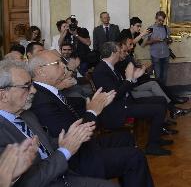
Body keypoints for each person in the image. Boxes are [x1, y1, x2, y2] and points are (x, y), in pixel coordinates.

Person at [28, 50, 155, 186]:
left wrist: (94, 108)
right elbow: (70, 135)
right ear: (40, 71)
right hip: (77, 159)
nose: (64, 66)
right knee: (136, 157)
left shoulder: (48, 91)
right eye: (57, 63)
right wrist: (93, 111)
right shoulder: (41, 99)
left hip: (84, 146)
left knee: (126, 138)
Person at [0, 60, 116, 187]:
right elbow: (27, 182)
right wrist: (65, 150)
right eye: (26, 86)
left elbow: (47, 144)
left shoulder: (27, 115)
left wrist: (69, 138)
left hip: (61, 173)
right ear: (3, 95)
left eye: (32, 84)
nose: (33, 90)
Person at [92, 42, 172, 156]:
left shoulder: (110, 67)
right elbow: (115, 94)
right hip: (116, 110)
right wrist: (129, 79)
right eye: (119, 51)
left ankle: (156, 138)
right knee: (159, 110)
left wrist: (133, 78)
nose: (121, 53)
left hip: (126, 102)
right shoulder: (101, 70)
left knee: (161, 101)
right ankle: (152, 146)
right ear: (113, 53)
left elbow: (122, 88)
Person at [144, 11, 173, 86]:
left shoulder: (166, 28)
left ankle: (164, 93)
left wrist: (169, 40)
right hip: (156, 56)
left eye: (162, 21)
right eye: (159, 20)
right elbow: (145, 43)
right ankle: (159, 92)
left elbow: (169, 40)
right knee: (158, 76)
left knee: (164, 76)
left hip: (166, 55)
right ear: (155, 19)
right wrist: (154, 40)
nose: (161, 22)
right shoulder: (151, 28)